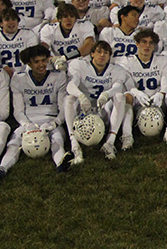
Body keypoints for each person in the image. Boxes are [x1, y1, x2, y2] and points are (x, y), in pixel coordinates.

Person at [0, 45, 74, 177]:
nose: (41, 65)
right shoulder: (19, 78)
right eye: (36, 61)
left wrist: (55, 123)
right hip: (29, 120)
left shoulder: (59, 77)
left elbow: (63, 108)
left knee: (57, 140)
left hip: (51, 119)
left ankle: (61, 164)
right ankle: (2, 168)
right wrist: (26, 125)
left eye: (43, 60)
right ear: (29, 63)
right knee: (13, 143)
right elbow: (18, 110)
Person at [64, 40, 131, 161]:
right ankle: (74, 144)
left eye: (106, 53)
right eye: (99, 52)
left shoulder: (117, 70)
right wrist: (81, 96)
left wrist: (106, 94)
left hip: (103, 110)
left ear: (110, 56)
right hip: (84, 111)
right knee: (69, 99)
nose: (102, 55)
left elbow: (118, 87)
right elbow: (70, 86)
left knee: (120, 97)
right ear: (92, 54)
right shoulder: (80, 65)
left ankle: (110, 142)